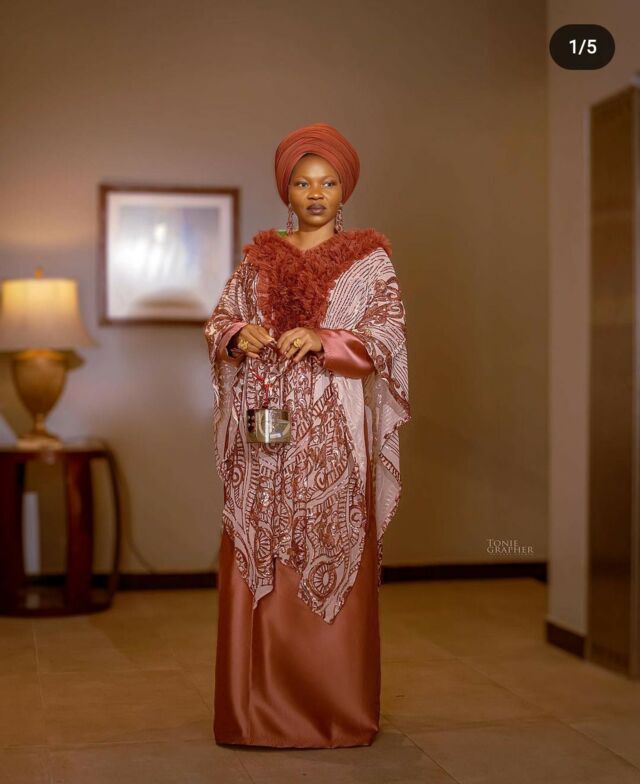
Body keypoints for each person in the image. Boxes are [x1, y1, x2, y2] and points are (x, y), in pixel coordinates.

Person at [204, 122, 411, 749]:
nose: (316, 193)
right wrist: (237, 334)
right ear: (285, 191)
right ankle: (252, 717)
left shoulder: (370, 263)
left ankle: (336, 714)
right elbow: (218, 321)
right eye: (303, 182)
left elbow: (387, 341)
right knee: (256, 555)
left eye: (328, 182)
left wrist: (325, 339)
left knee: (332, 548)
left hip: (332, 444)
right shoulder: (257, 260)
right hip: (263, 439)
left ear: (344, 189)